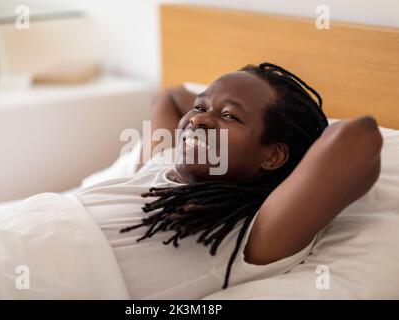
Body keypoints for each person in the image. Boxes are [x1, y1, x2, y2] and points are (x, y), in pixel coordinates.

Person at [71, 63, 382, 299]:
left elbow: (359, 137)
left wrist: (297, 146)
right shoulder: (164, 160)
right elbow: (172, 97)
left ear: (273, 157)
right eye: (200, 108)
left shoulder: (255, 230)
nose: (197, 120)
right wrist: (218, 108)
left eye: (231, 116)